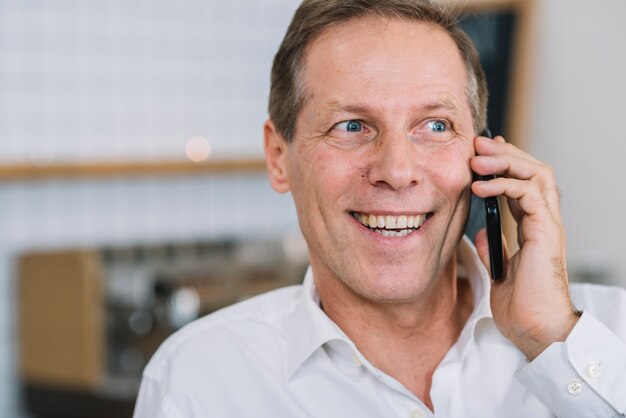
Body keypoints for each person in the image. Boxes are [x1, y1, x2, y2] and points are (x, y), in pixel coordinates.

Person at [133, 1, 626, 416]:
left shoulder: (611, 331)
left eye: (434, 126)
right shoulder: (200, 380)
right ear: (279, 157)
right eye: (351, 126)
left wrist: (554, 340)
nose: (397, 170)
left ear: (484, 158)